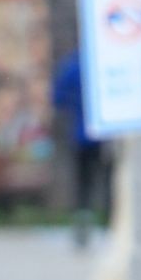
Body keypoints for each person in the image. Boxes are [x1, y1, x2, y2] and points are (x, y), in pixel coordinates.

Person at [53, 44, 108, 245]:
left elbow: (57, 99)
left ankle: (83, 226)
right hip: (106, 136)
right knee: (108, 180)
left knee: (83, 183)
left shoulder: (72, 66)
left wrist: (75, 103)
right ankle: (110, 224)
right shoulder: (105, 62)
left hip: (80, 133)